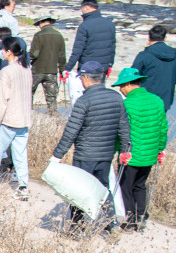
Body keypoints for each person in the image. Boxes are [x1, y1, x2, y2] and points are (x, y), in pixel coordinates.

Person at [52, 61, 131, 227]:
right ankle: (112, 223)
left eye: (81, 77)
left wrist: (57, 155)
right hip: (105, 155)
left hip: (85, 155)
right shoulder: (116, 97)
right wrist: (125, 150)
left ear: (86, 78)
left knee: (80, 190)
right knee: (103, 189)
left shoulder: (83, 101)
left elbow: (71, 131)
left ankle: (76, 228)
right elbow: (124, 127)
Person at [113, 67, 169, 231]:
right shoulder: (157, 100)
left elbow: (121, 132)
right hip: (150, 154)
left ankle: (128, 222)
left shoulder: (126, 104)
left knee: (125, 187)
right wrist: (160, 149)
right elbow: (163, 128)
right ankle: (140, 218)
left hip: (131, 154)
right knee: (140, 185)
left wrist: (116, 151)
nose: (121, 90)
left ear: (129, 84)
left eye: (122, 86)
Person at [0, 37, 34, 200]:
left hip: (9, 119)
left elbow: (1, 99)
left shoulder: (6, 71)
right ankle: (23, 186)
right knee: (20, 153)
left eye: (3, 50)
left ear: (9, 52)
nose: (1, 53)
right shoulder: (27, 68)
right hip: (24, 118)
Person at [131, 25, 176, 112]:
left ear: (149, 37)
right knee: (159, 124)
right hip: (165, 99)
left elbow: (132, 76)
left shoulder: (144, 55)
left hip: (145, 98)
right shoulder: (175, 56)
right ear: (165, 38)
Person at [64, 0, 116, 76]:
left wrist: (67, 68)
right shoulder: (110, 23)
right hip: (103, 67)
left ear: (86, 7)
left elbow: (77, 51)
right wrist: (110, 65)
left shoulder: (84, 26)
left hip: (88, 67)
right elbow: (112, 47)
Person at [28, 16, 66, 113]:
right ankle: (54, 119)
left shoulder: (38, 35)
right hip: (52, 71)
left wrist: (24, 61)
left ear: (41, 23)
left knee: (28, 94)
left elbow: (34, 54)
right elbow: (62, 56)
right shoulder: (59, 35)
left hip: (37, 70)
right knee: (52, 98)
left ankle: (28, 115)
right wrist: (62, 70)